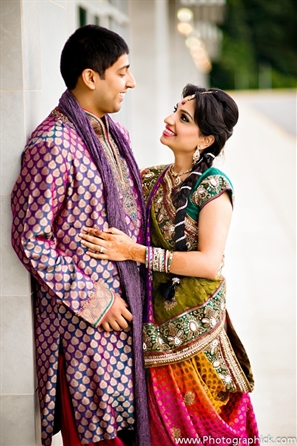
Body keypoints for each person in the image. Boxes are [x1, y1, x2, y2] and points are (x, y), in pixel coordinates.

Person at [79, 85, 259, 445]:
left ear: (205, 139)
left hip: (196, 342)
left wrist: (135, 252)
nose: (168, 119)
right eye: (174, 110)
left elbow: (209, 264)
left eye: (183, 118)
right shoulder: (149, 179)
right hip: (150, 332)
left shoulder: (213, 190)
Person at [11, 25, 150, 446]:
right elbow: (29, 237)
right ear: (91, 77)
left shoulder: (114, 134)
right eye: (123, 71)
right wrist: (95, 299)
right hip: (85, 329)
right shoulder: (53, 143)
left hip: (127, 318)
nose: (131, 82)